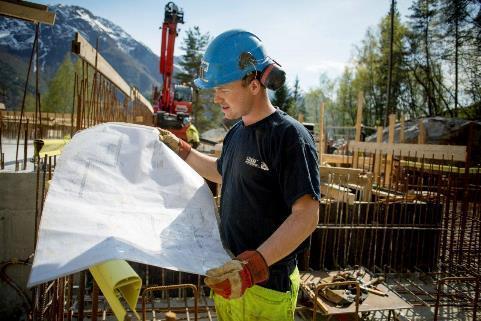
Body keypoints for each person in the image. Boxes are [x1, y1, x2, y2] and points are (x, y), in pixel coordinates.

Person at [158, 29, 320, 321]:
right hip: (229, 279)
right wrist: (182, 150)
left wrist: (252, 268)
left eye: (223, 88)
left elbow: (307, 215)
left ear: (254, 84)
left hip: (266, 286)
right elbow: (221, 172)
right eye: (214, 89)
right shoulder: (236, 134)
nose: (216, 97)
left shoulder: (289, 137)